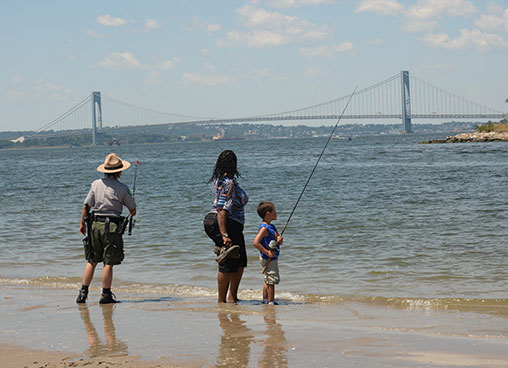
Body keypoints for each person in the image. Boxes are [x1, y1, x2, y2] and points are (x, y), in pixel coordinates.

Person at [76, 153, 136, 304]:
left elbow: (86, 206)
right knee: (108, 262)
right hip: (112, 227)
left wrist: (82, 224)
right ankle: (106, 295)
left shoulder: (95, 184)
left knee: (92, 260)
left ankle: (82, 293)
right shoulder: (123, 188)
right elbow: (133, 209)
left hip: (94, 225)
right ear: (119, 171)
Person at [204, 150, 248, 303]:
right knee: (230, 262)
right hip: (227, 222)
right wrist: (225, 234)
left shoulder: (217, 181)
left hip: (211, 220)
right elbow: (222, 209)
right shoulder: (229, 183)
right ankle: (225, 299)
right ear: (234, 164)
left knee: (239, 260)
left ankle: (230, 297)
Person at [253, 202, 283, 305]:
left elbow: (279, 241)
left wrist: (279, 240)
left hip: (271, 257)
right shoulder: (264, 228)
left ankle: (265, 299)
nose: (276, 213)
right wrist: (267, 252)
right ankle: (271, 302)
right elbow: (255, 242)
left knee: (267, 279)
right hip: (268, 257)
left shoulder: (272, 227)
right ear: (268, 213)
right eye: (274, 211)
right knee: (271, 280)